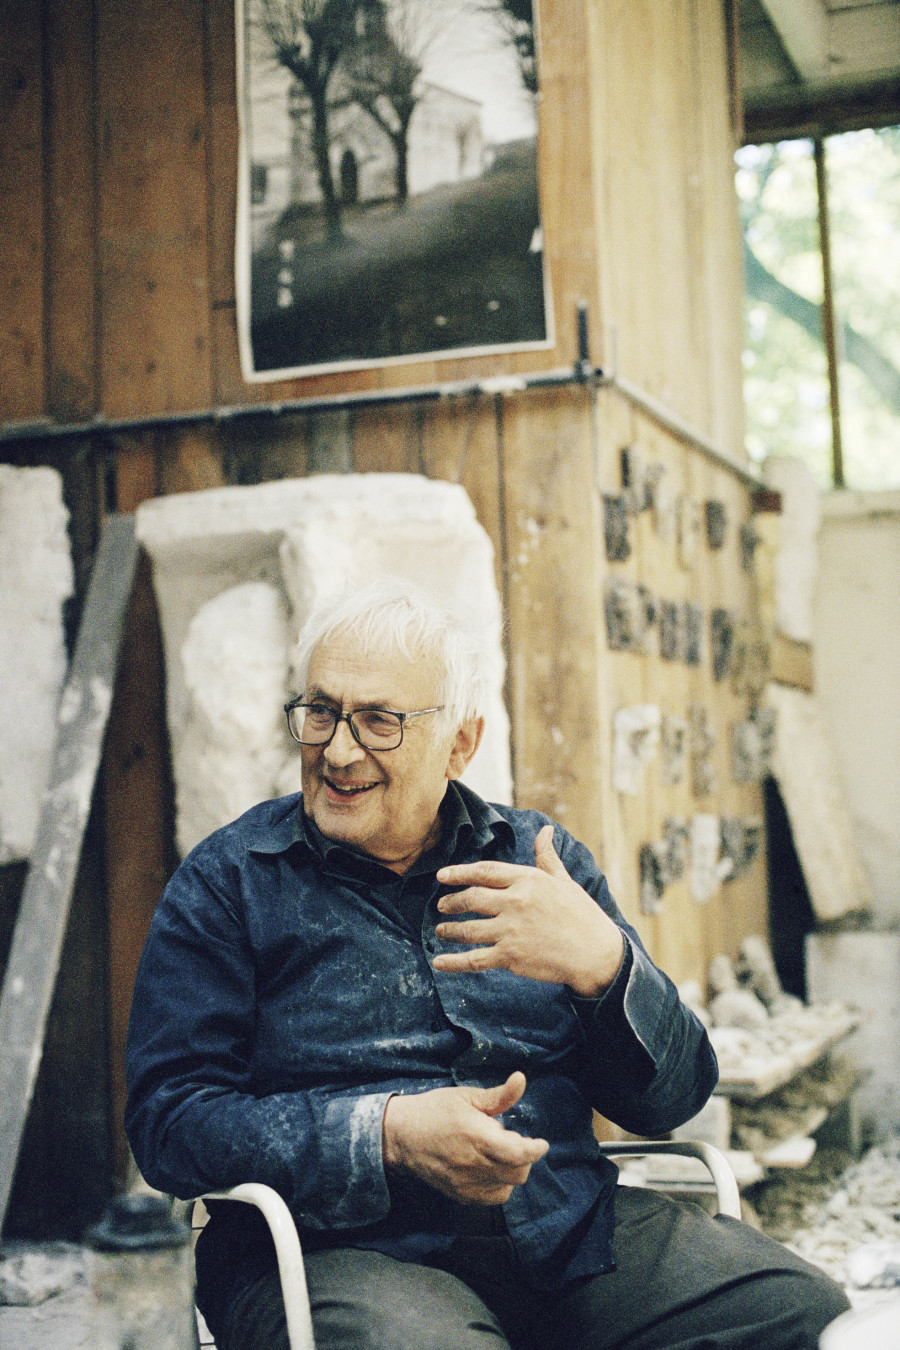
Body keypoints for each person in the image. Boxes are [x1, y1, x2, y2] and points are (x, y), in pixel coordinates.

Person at [125, 582, 849, 1350]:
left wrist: (605, 966)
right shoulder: (230, 881)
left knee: (811, 1318)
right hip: (335, 1251)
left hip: (568, 1238)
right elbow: (169, 1123)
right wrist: (384, 1135)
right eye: (323, 711)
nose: (337, 750)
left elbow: (673, 1100)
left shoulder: (543, 865)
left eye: (378, 721)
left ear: (461, 744)